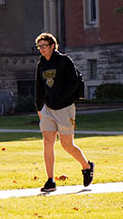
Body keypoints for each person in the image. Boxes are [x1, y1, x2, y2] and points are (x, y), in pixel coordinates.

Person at [34, 32, 93, 192]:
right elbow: (39, 88)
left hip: (65, 108)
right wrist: (39, 107)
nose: (42, 49)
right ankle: (50, 180)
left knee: (67, 145)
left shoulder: (64, 61)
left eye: (44, 46)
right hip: (47, 109)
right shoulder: (41, 64)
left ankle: (86, 166)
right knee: (48, 143)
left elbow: (73, 82)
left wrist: (61, 98)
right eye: (39, 46)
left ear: (53, 46)